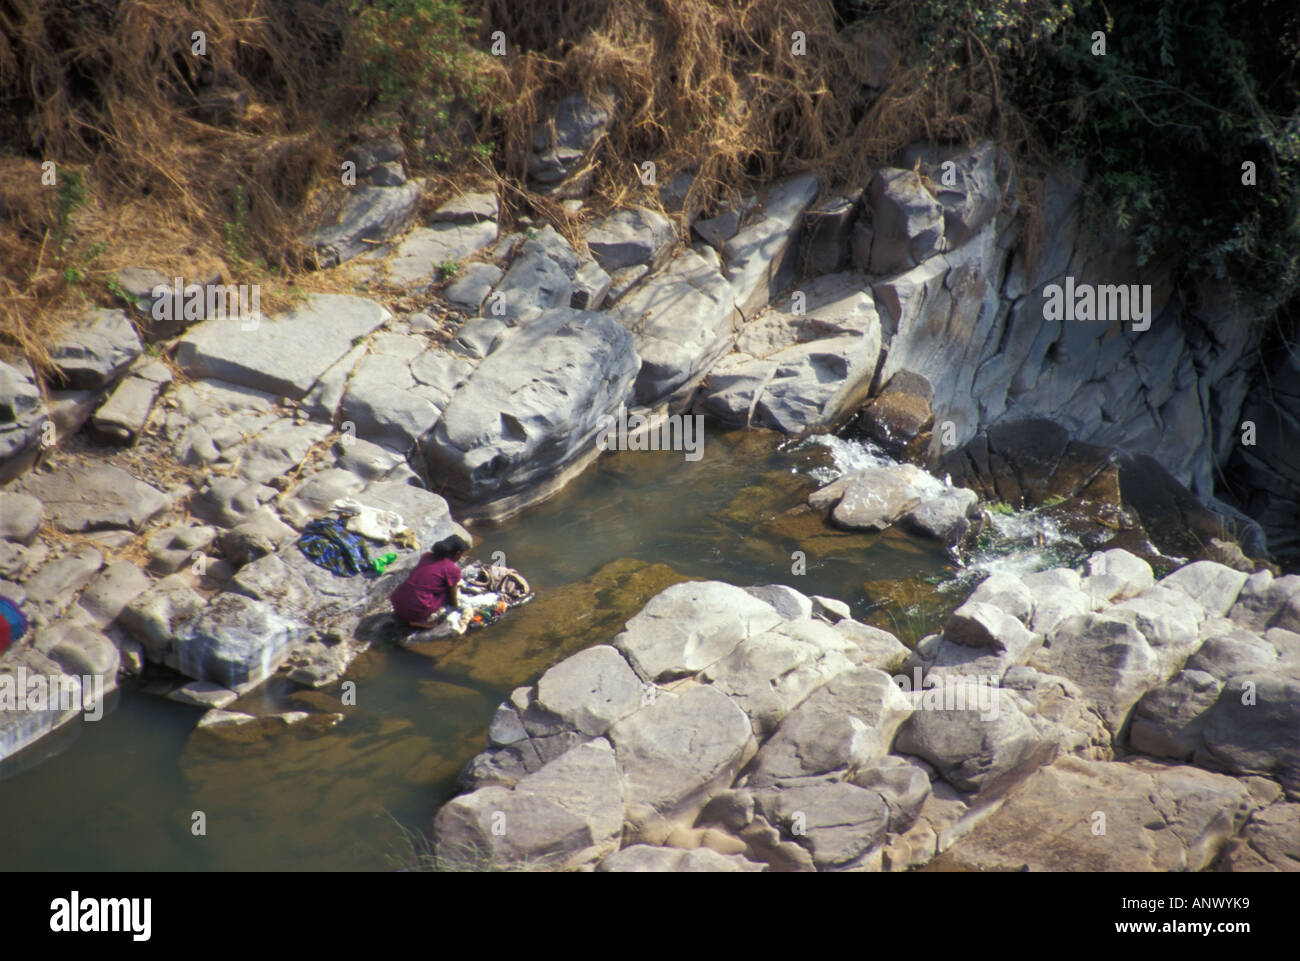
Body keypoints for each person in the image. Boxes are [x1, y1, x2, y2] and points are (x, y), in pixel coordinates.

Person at [389, 535, 469, 629]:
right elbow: (453, 592)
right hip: (415, 608)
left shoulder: (426, 556)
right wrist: (455, 606)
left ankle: (410, 618)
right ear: (457, 554)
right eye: (462, 554)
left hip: (397, 600)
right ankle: (416, 622)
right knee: (446, 593)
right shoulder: (452, 569)